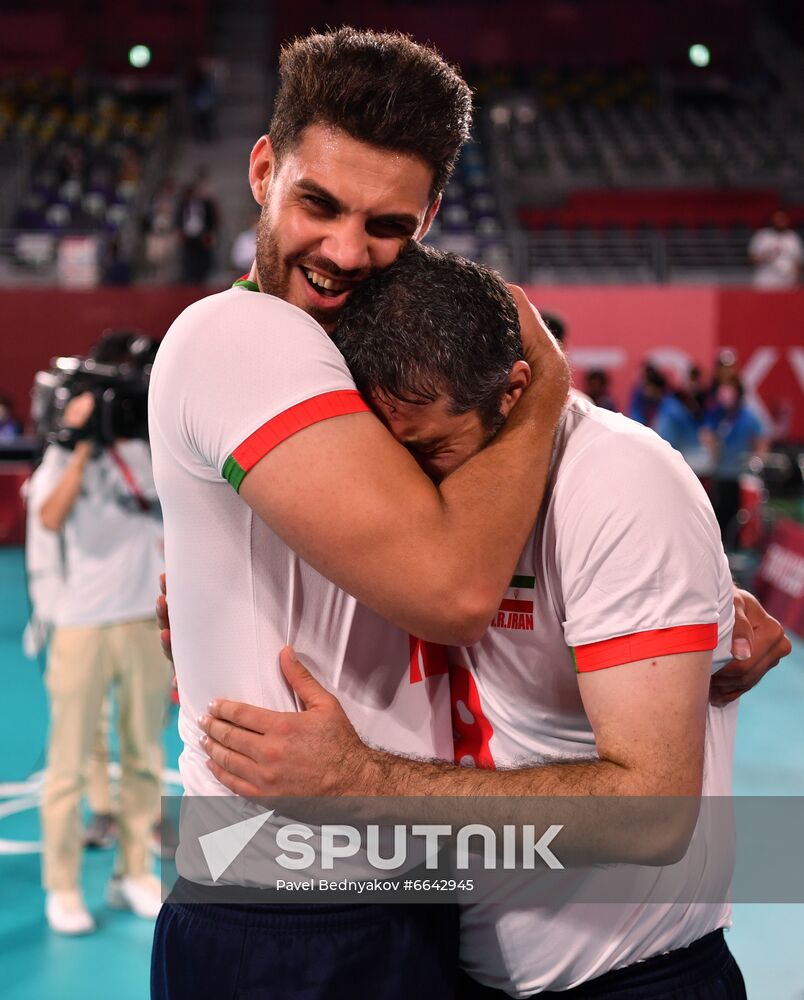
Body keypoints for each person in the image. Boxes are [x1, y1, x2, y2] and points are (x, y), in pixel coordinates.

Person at [194, 243, 793, 998]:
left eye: (434, 449)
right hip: (451, 959)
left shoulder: (619, 484)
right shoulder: (421, 498)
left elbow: (652, 815)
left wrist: (358, 782)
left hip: (629, 979)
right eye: (389, 454)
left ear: (515, 393)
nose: (411, 481)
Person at [148, 27, 570, 1000]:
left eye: (386, 224)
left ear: (429, 214)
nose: (343, 251)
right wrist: (540, 378)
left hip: (391, 879)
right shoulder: (239, 334)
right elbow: (455, 587)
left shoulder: (370, 362)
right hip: (293, 905)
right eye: (318, 203)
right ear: (263, 168)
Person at [31, 331, 172, 935]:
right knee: (68, 764)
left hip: (143, 617)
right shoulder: (63, 455)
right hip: (83, 621)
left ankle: (134, 873)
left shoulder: (153, 449)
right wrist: (82, 444)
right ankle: (62, 887)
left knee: (143, 756)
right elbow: (49, 515)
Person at [701, 378, 769, 549]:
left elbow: (761, 439)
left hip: (740, 475)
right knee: (718, 515)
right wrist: (711, 443)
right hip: (719, 474)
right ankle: (720, 549)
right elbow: (705, 433)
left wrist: (759, 461)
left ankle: (737, 549)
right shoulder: (716, 415)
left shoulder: (748, 416)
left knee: (738, 516)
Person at [748, 210, 803, 289]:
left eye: (782, 219)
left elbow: (799, 260)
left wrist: (796, 275)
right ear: (772, 220)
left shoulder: (793, 237)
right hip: (765, 281)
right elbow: (752, 258)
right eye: (777, 218)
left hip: (788, 282)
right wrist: (767, 255)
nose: (780, 221)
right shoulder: (762, 235)